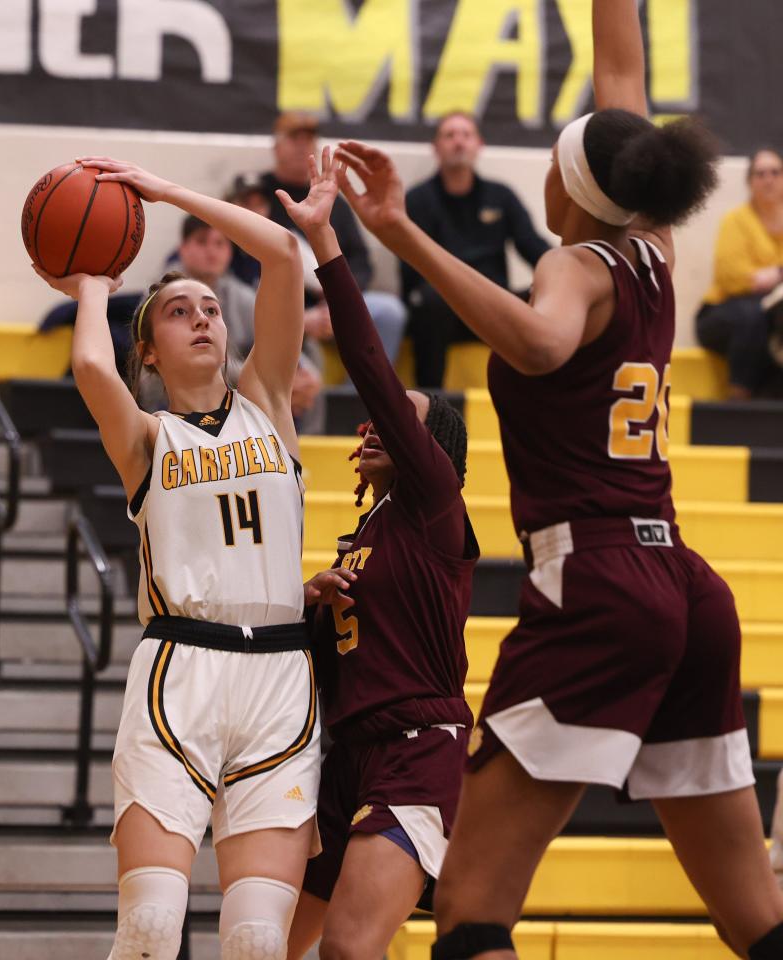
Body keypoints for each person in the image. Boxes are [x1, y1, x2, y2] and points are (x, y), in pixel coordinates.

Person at [334, 1, 783, 957]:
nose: (536, 167)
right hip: (686, 588)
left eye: (549, 158)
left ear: (573, 186)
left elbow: (540, 346)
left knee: (468, 912)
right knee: (757, 919)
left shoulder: (573, 264)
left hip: (601, 589)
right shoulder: (654, 247)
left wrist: (401, 233)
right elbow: (626, 86)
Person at [32, 156, 322, 960]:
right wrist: (94, 281)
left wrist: (162, 193)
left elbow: (283, 254)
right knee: (152, 931)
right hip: (178, 674)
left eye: (209, 310)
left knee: (260, 942)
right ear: (150, 352)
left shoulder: (267, 400)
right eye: (177, 313)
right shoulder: (145, 439)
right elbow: (92, 364)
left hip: (281, 681)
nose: (201, 319)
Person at [273, 149, 479, 960]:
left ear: (425, 445)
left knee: (350, 950)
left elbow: (367, 367)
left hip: (415, 753)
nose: (371, 426)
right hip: (345, 756)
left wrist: (327, 246)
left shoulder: (434, 505)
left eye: (393, 421)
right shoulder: (365, 536)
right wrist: (309, 602)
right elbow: (323, 664)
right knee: (265, 945)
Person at [402, 112, 550, 387]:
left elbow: (532, 245)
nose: (458, 142)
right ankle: (430, 404)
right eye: (449, 135)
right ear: (436, 147)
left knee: (541, 297)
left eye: (466, 135)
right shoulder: (417, 199)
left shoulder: (501, 196)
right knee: (429, 299)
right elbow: (411, 270)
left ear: (479, 144)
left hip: (495, 308)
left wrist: (565, 270)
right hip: (443, 307)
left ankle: (543, 394)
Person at [251, 112, 408, 366]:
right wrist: (304, 314)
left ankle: (362, 398)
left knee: (390, 311)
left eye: (308, 140)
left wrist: (338, 297)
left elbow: (361, 260)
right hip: (282, 303)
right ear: (277, 147)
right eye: (294, 139)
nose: (302, 146)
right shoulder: (257, 196)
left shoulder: (331, 199)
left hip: (336, 300)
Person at [165, 215, 325, 431]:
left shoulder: (238, 293)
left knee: (309, 369)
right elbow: (193, 364)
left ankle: (304, 452)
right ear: (182, 248)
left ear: (230, 251)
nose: (212, 251)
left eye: (220, 243)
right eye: (202, 241)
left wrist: (302, 374)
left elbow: (275, 335)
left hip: (235, 384)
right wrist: (275, 379)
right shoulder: (164, 294)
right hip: (177, 390)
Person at [696, 149, 783, 399]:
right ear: (750, 182)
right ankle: (738, 401)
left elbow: (759, 280)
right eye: (761, 173)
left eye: (775, 172)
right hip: (721, 312)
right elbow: (731, 277)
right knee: (754, 315)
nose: (769, 179)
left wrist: (770, 276)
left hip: (770, 315)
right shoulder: (735, 220)